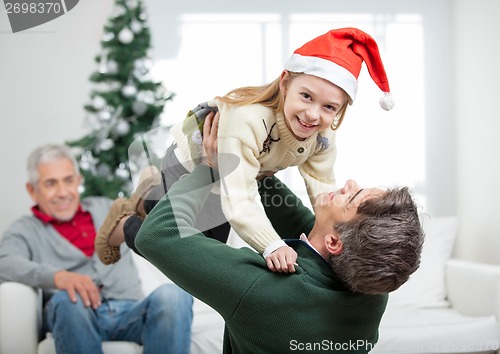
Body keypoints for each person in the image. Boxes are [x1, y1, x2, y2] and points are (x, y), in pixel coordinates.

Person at [95, 27, 396, 272]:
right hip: (195, 161)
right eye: (306, 96)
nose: (313, 115)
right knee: (182, 252)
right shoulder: (249, 121)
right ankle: (127, 219)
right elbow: (240, 198)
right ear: (285, 84)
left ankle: (150, 194)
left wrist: (331, 235)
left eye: (329, 107)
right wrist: (272, 244)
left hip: (232, 172)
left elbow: (322, 186)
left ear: (341, 110)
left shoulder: (323, 135)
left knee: (202, 252)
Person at [132, 114, 424, 354]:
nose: (348, 183)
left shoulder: (265, 289)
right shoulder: (372, 290)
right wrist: (249, 159)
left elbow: (158, 236)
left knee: (155, 225)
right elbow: (303, 225)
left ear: (335, 243)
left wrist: (210, 167)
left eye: (352, 197)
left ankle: (129, 218)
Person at [0, 144, 193, 354]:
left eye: (68, 180)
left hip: (131, 313)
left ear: (78, 181)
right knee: (68, 298)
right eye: (51, 184)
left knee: (174, 295)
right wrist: (59, 277)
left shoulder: (106, 207)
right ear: (32, 190)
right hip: (76, 314)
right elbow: (5, 262)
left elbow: (149, 226)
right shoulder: (25, 230)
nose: (63, 192)